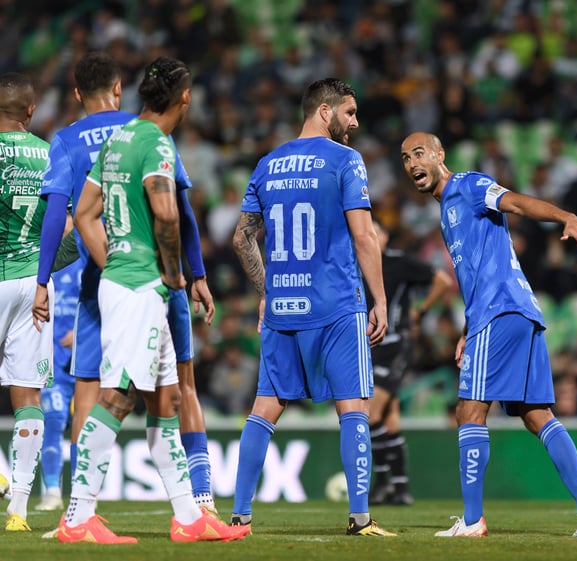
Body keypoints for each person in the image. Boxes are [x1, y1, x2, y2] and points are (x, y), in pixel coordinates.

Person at [59, 56, 246, 543]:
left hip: (128, 281)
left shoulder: (119, 139)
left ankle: (188, 517)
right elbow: (167, 213)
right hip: (143, 288)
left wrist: (113, 262)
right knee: (118, 397)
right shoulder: (155, 143)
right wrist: (171, 273)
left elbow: (84, 212)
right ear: (184, 99)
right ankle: (77, 518)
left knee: (168, 399)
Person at [400, 131, 577, 538]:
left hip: (500, 310)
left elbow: (516, 202)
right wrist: (465, 328)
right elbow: (472, 275)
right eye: (406, 158)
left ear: (441, 154)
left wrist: (567, 216)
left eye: (419, 153)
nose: (412, 164)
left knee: (469, 410)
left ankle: (473, 521)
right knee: (536, 415)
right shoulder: (446, 212)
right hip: (515, 313)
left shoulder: (468, 185)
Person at [230, 78, 394, 537]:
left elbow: (242, 237)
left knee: (264, 407)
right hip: (337, 305)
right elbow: (364, 235)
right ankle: (360, 518)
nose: (355, 122)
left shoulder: (267, 164)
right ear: (325, 111)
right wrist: (379, 300)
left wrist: (267, 291)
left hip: (284, 307)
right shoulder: (346, 161)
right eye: (350, 112)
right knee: (354, 406)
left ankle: (240, 516)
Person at [367, 221, 453, 506]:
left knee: (369, 414)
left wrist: (421, 311)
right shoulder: (360, 265)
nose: (371, 235)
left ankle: (382, 482)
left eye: (376, 231)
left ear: (386, 236)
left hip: (394, 345)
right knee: (388, 418)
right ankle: (399, 487)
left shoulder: (398, 262)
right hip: (370, 347)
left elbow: (443, 280)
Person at [0, 71, 52, 532]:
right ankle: (17, 509)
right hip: (34, 284)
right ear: (30, 110)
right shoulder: (50, 154)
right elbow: (69, 224)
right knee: (28, 395)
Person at [36, 254, 82, 512]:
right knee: (53, 422)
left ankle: (82, 491)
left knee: (83, 425)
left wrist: (80, 329)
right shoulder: (45, 261)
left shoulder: (84, 259)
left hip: (85, 357)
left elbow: (101, 300)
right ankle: (52, 491)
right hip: (52, 360)